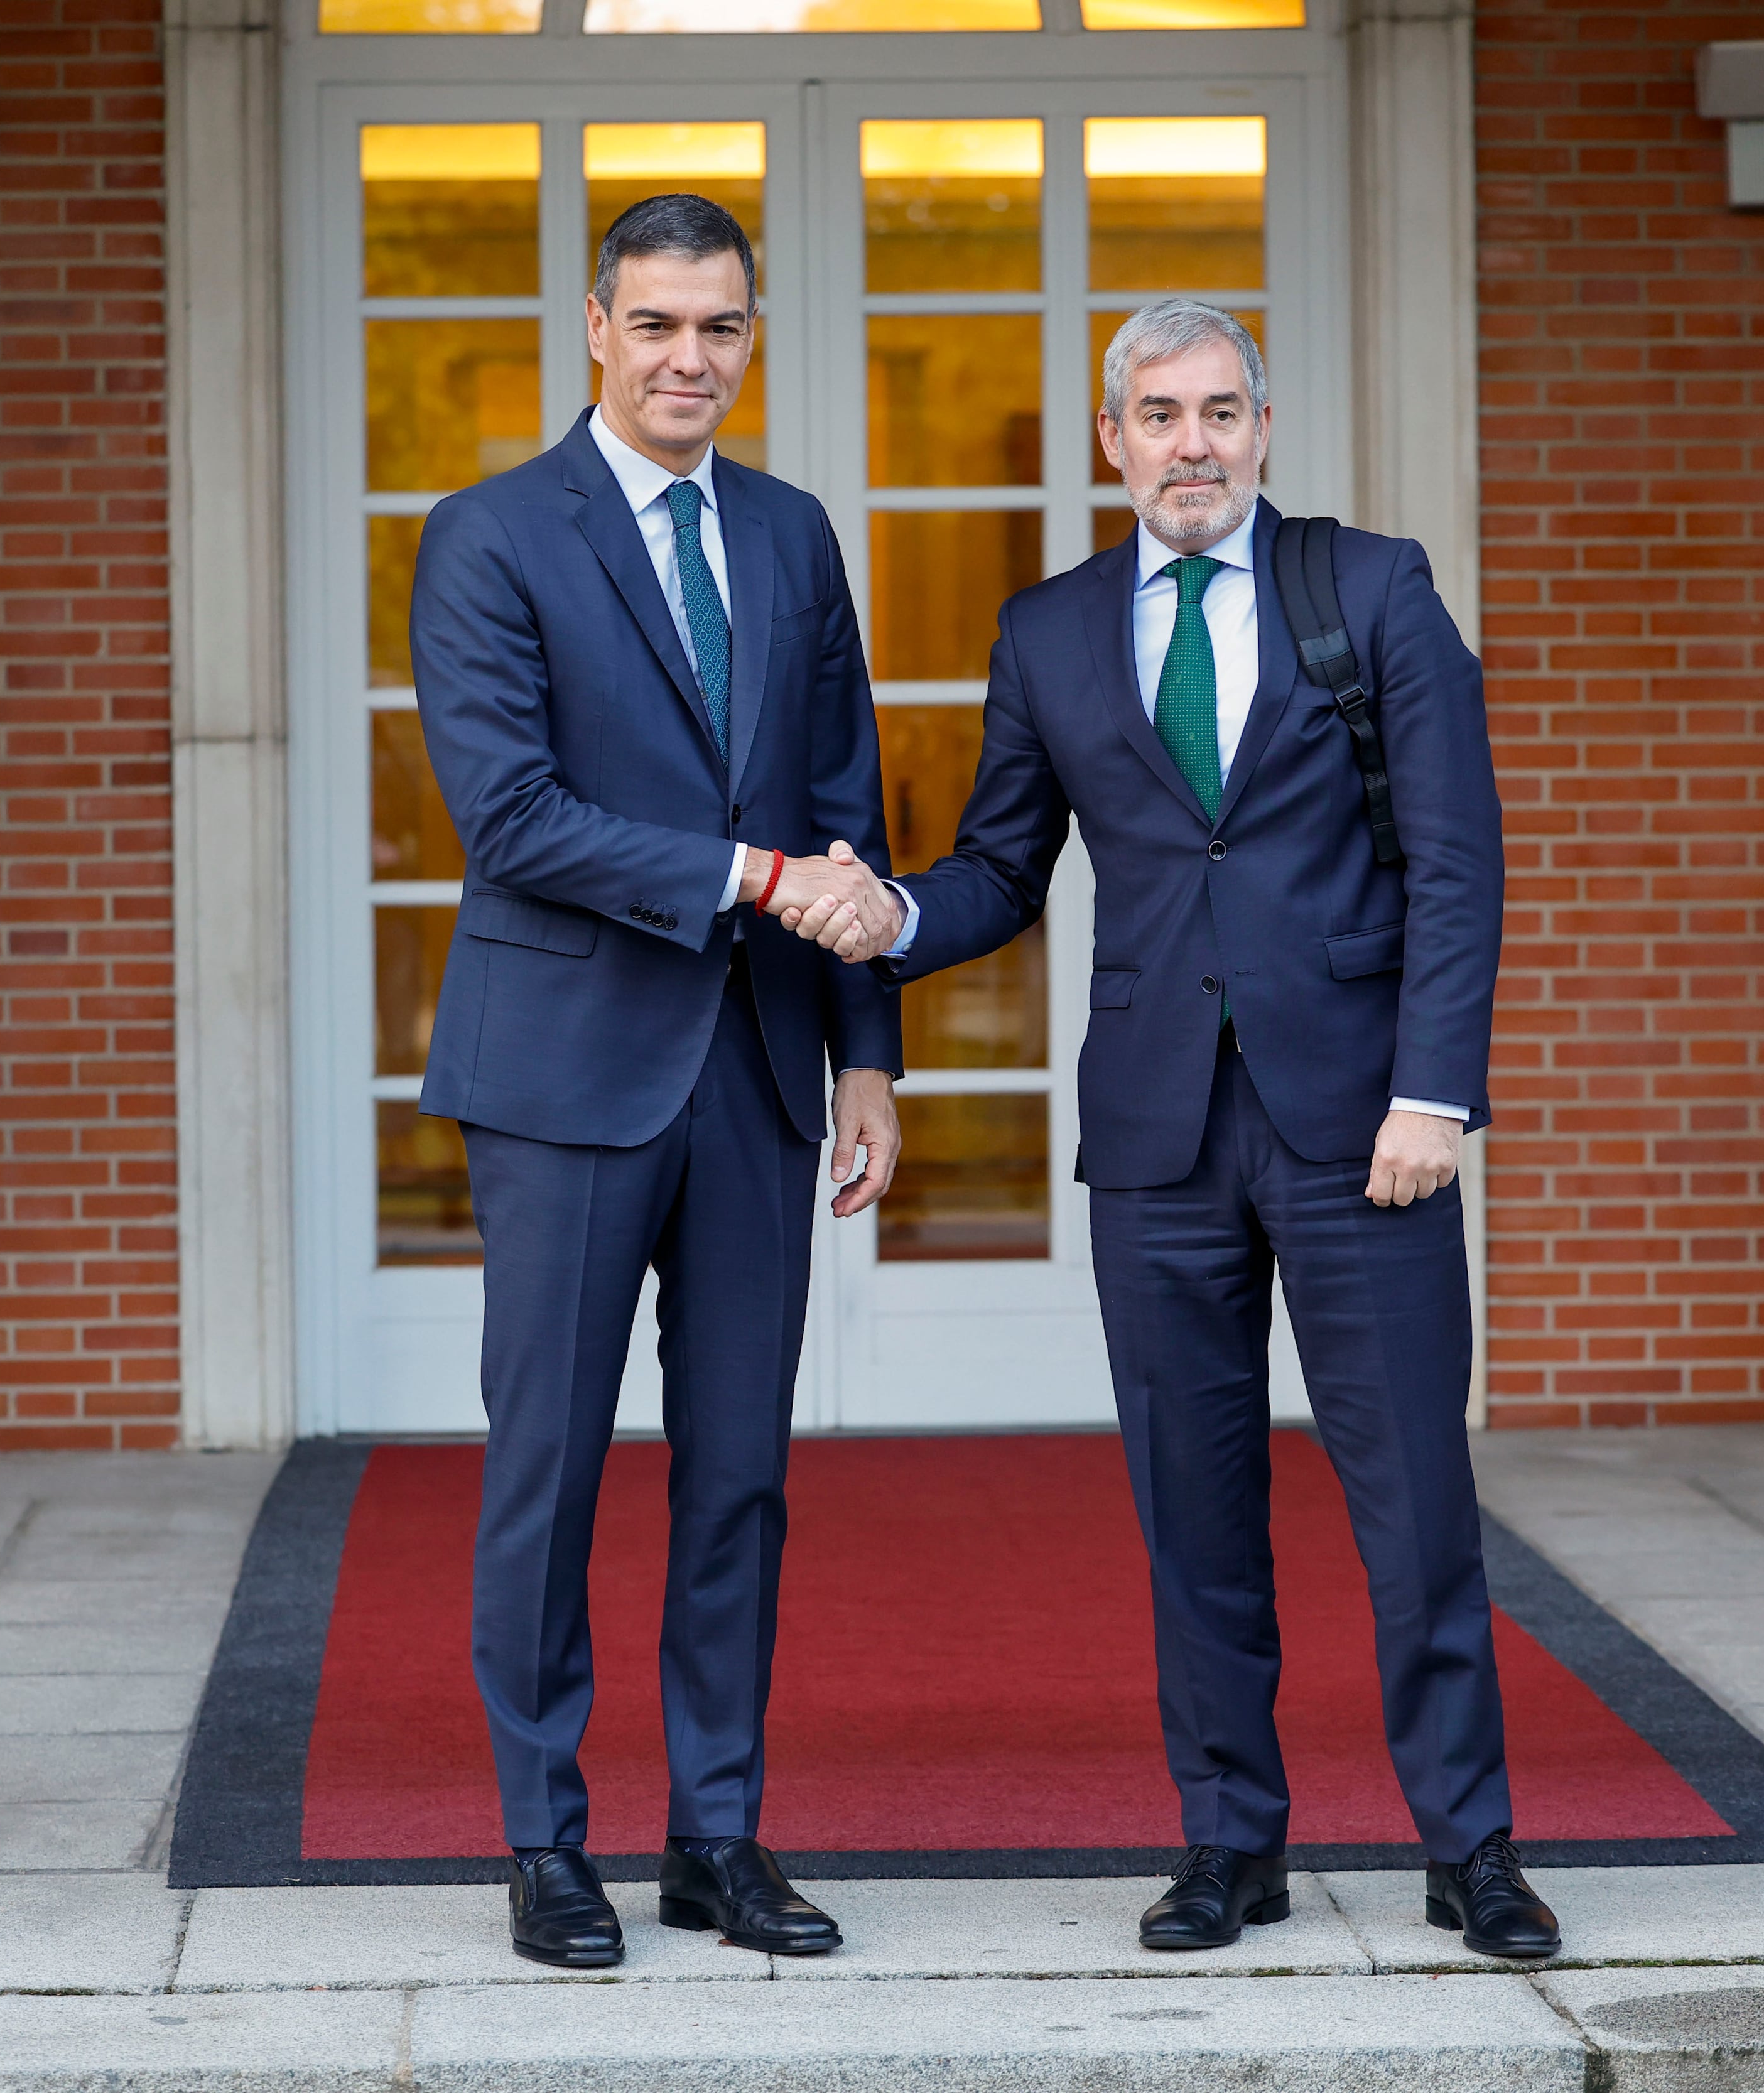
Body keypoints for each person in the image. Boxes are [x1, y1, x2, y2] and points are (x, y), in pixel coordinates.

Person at [789, 297, 1559, 1960]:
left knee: (1417, 1505)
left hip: (1365, 1130)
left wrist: (1434, 1093)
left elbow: (1459, 860)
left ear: (1263, 430)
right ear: (1111, 443)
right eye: (1159, 415)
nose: (1190, 444)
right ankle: (1229, 1843)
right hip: (1156, 1137)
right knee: (1192, 1510)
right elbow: (1004, 866)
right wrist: (894, 918)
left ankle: (1473, 1847)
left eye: (1219, 412)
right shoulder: (1051, 631)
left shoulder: (1376, 589)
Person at [408, 192, 908, 1971]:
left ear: (748, 339)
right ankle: (546, 1843)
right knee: (547, 1468)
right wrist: (754, 877)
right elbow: (514, 817)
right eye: (659, 324)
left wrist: (868, 1055)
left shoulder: (789, 533)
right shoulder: (487, 536)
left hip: (760, 1071)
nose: (690, 357)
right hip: (564, 1073)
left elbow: (846, 801)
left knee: (740, 1474)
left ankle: (717, 1836)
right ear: (596, 330)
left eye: (721, 327)